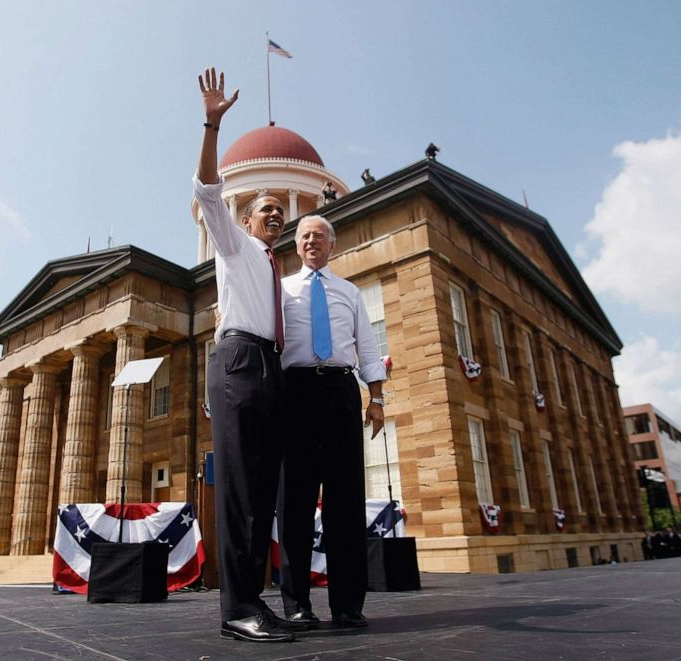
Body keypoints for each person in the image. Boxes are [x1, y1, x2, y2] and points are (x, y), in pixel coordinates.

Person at [192, 67, 294, 643]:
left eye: (281, 210)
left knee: (263, 490)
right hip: (237, 362)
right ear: (246, 218)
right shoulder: (234, 247)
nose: (275, 214)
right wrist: (212, 124)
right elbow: (206, 189)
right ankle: (235, 609)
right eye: (265, 208)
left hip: (270, 366)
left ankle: (254, 600)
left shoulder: (277, 267)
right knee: (236, 491)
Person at [277, 214, 387, 629]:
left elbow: (369, 350)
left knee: (344, 502)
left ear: (331, 245)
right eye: (304, 235)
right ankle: (296, 604)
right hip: (296, 392)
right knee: (295, 504)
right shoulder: (282, 289)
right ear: (297, 244)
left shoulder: (350, 292)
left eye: (318, 236)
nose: (310, 241)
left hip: (341, 391)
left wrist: (376, 399)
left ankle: (347, 604)